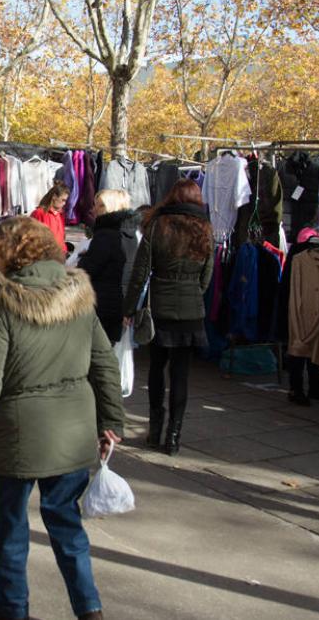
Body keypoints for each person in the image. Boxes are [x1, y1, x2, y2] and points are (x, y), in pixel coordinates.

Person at [0, 216, 124, 620]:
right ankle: (89, 608)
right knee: (67, 524)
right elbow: (105, 365)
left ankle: (12, 606)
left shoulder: (5, 299)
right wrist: (112, 422)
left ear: (15, 252)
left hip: (17, 431)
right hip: (73, 430)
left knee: (10, 527)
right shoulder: (80, 295)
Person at [123, 179, 213, 454]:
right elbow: (207, 274)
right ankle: (174, 435)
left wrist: (129, 309)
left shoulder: (157, 225)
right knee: (180, 374)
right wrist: (195, 292)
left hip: (160, 304)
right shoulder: (205, 229)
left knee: (156, 369)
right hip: (190, 308)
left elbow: (140, 270)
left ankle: (155, 430)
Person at [78, 189, 140, 343]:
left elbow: (88, 269)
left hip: (101, 303)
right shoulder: (132, 235)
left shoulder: (105, 235)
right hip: (120, 303)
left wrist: (84, 257)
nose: (93, 210)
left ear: (109, 208)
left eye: (99, 206)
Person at [29, 182, 69, 250]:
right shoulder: (39, 213)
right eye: (63, 200)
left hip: (60, 255)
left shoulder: (60, 214)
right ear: (54, 197)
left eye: (65, 201)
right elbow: (32, 238)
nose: (64, 203)